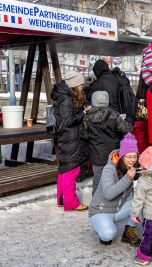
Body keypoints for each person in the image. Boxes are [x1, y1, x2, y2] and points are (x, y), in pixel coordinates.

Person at [89, 133, 141, 246]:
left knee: (143, 201)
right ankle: (101, 225)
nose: (132, 160)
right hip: (101, 210)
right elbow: (109, 194)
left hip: (118, 209)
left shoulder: (135, 168)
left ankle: (129, 230)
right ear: (122, 156)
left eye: (135, 156)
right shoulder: (109, 169)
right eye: (129, 157)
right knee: (108, 234)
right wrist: (127, 178)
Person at [51, 71, 89, 211]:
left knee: (65, 168)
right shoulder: (66, 99)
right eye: (80, 84)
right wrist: (83, 113)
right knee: (71, 169)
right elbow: (68, 121)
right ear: (74, 84)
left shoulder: (63, 96)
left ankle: (62, 198)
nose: (82, 87)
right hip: (70, 137)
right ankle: (71, 202)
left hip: (67, 137)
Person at [81, 91, 132, 195]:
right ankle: (115, 199)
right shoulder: (114, 114)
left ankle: (96, 200)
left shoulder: (87, 117)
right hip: (113, 152)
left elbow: (84, 135)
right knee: (115, 175)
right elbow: (126, 128)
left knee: (98, 177)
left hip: (96, 153)